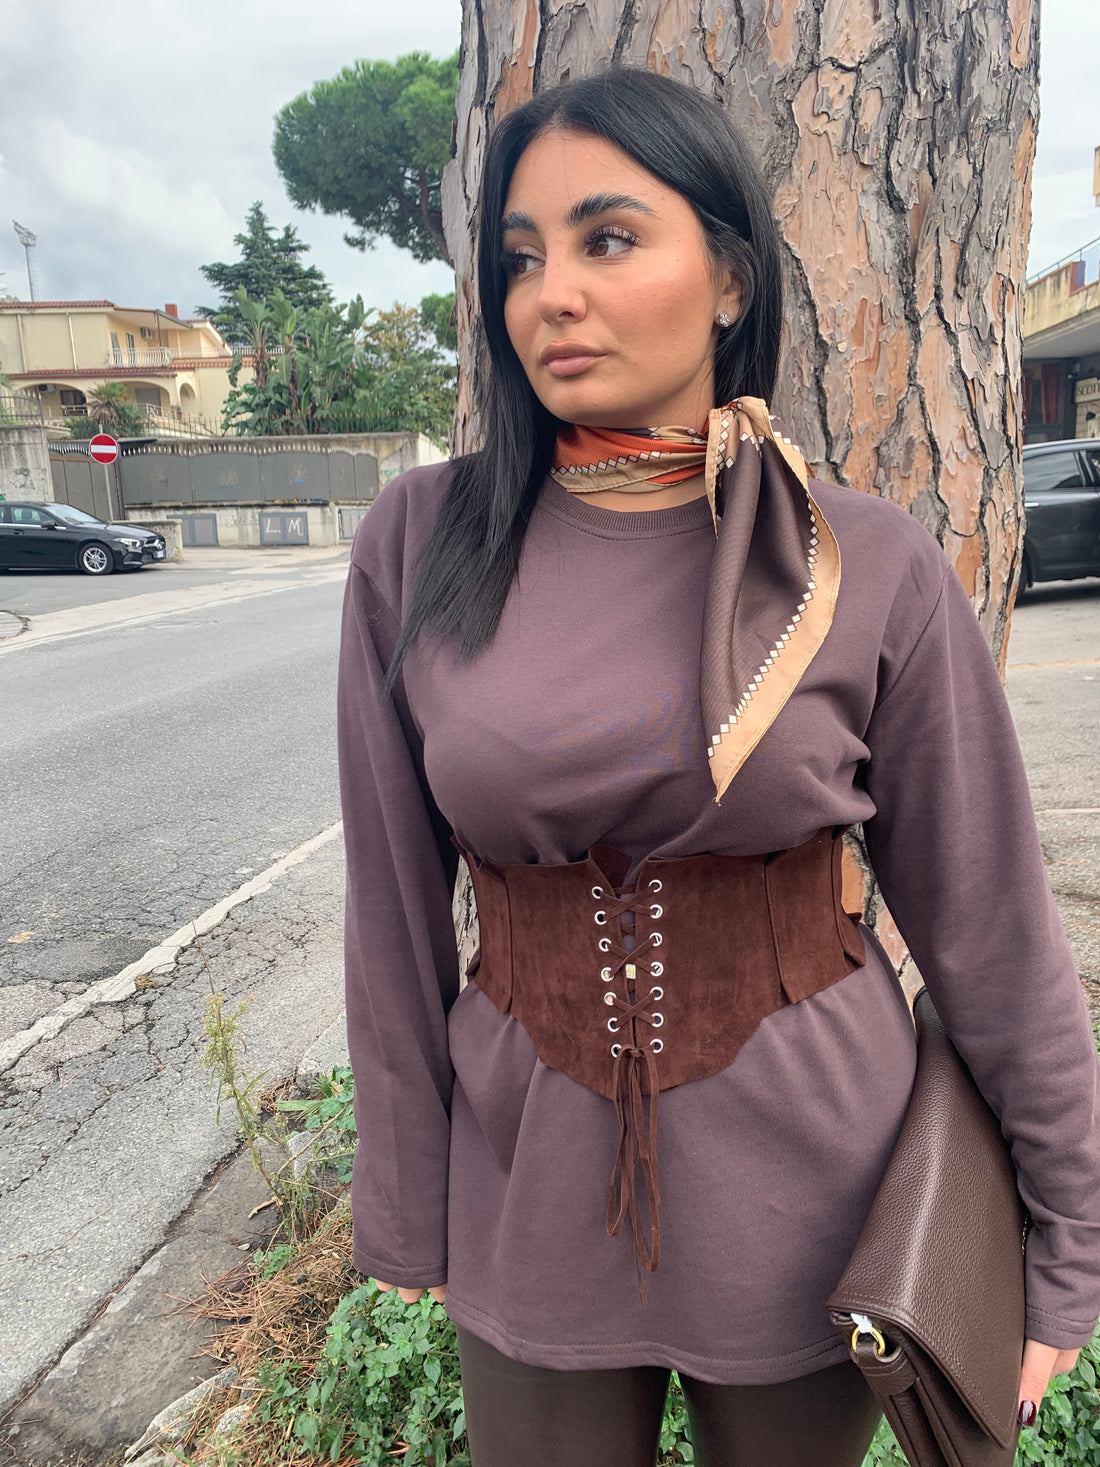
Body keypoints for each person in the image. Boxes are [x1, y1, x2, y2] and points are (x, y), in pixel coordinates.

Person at [336, 66, 1100, 1466]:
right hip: (524, 1184)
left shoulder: (864, 563)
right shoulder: (418, 545)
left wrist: (1070, 1237)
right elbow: (390, 910)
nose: (551, 295)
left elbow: (991, 925)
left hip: (817, 1190)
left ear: (731, 280)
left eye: (608, 239)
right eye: (521, 258)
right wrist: (405, 1195)